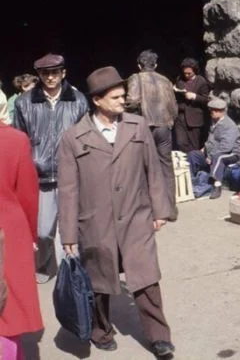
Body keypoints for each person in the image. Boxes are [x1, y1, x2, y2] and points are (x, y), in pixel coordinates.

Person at [57, 66, 175, 357]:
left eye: (123, 96)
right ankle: (101, 330)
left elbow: (154, 172)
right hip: (95, 222)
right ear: (97, 100)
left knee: (146, 278)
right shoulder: (74, 138)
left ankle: (159, 337)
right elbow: (68, 190)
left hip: (136, 216)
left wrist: (161, 209)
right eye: (116, 97)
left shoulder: (137, 126)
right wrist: (68, 233)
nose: (124, 101)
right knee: (99, 282)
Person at [13, 54, 89, 284]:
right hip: (40, 175)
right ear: (39, 75)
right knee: (44, 231)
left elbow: (86, 137)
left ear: (63, 73)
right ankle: (44, 261)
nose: (50, 77)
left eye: (55, 72)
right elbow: (20, 139)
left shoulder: (78, 100)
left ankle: (72, 274)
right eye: (45, 73)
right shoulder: (24, 103)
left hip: (71, 174)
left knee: (72, 229)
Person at [0, 123, 43, 358]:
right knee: (8, 310)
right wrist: (31, 235)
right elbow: (28, 193)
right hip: (9, 232)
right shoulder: (15, 140)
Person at [126, 50, 179, 221]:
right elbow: (174, 107)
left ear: (139, 65)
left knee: (142, 167)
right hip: (165, 126)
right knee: (166, 167)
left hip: (145, 125)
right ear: (155, 65)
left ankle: (150, 210)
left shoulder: (136, 78)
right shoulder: (166, 80)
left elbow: (132, 100)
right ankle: (171, 210)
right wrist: (169, 122)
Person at [187, 98, 240, 200]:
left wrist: (211, 156)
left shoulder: (229, 125)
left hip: (230, 153)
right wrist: (205, 150)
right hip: (212, 153)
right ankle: (192, 182)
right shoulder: (214, 122)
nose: (212, 112)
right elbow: (211, 140)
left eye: (215, 110)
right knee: (193, 155)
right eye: (211, 109)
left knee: (218, 157)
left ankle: (217, 185)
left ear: (222, 111)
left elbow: (226, 147)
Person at [173, 58, 210, 153]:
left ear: (195, 71)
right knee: (180, 142)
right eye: (185, 73)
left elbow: (206, 100)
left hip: (194, 118)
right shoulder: (179, 79)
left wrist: (195, 97)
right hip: (180, 117)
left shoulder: (201, 81)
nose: (186, 75)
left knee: (194, 144)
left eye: (189, 73)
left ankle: (194, 163)